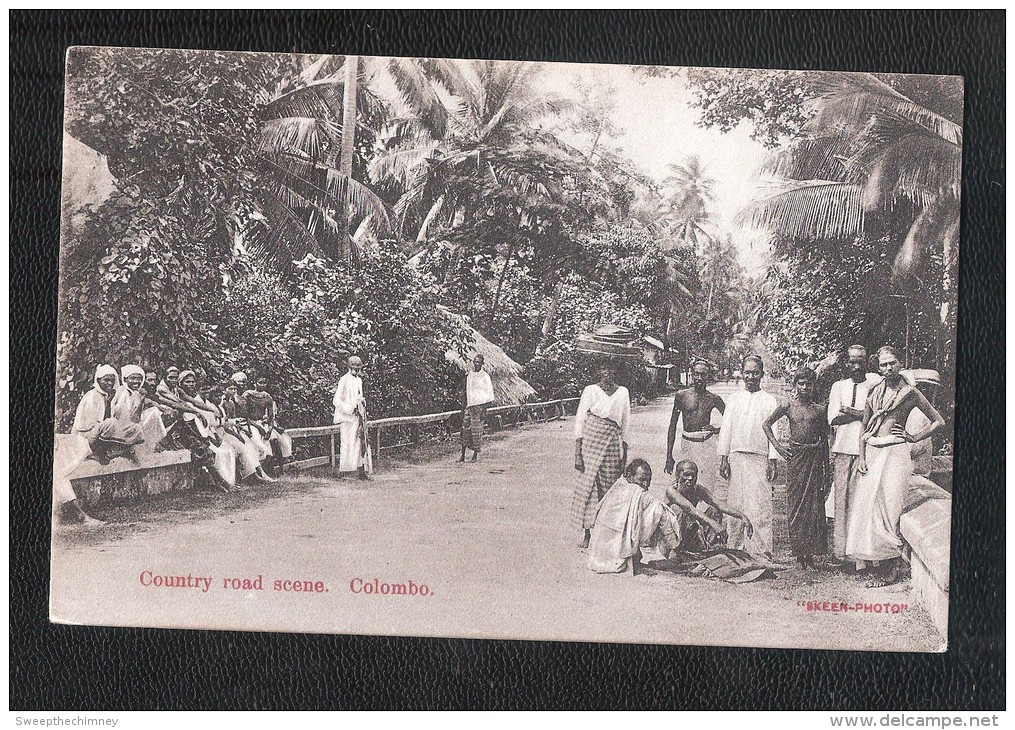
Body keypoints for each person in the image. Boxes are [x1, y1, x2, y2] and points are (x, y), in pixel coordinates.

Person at [847, 346, 945, 588]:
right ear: (877, 368)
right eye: (883, 365)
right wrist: (861, 457)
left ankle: (894, 566)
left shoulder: (910, 393)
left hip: (896, 454)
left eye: (892, 363)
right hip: (873, 450)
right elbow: (864, 426)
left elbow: (938, 421)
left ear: (900, 363)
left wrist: (913, 437)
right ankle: (879, 562)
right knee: (870, 508)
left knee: (891, 508)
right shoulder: (874, 391)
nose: (888, 368)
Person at [763, 368, 831, 569]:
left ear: (814, 386)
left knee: (814, 507)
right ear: (795, 385)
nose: (805, 388)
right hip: (795, 458)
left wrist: (827, 472)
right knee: (795, 505)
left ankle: (810, 553)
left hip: (814, 459)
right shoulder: (787, 406)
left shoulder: (819, 410)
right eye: (801, 383)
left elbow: (824, 441)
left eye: (809, 384)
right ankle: (799, 552)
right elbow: (766, 424)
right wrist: (778, 447)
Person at [716, 354, 779, 556]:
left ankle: (761, 549)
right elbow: (726, 430)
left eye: (755, 373)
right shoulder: (734, 399)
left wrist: (773, 460)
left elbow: (774, 431)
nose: (751, 376)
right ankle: (734, 547)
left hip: (759, 458)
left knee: (760, 506)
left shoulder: (769, 400)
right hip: (736, 457)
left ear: (762, 374)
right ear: (742, 373)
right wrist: (724, 458)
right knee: (735, 504)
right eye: (747, 372)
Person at [826, 345, 882, 567]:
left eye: (861, 360)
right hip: (842, 450)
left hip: (867, 451)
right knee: (841, 502)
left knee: (862, 502)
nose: (857, 365)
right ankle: (842, 554)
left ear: (867, 361)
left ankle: (861, 555)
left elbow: (877, 418)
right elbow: (833, 419)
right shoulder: (838, 386)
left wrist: (850, 411)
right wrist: (861, 416)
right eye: (852, 361)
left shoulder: (876, 383)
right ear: (846, 363)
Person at [571, 361, 631, 549]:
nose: (608, 374)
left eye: (612, 370)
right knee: (589, 485)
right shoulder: (590, 390)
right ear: (598, 371)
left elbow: (626, 422)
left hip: (613, 440)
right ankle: (587, 531)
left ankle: (605, 533)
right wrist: (577, 454)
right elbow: (580, 419)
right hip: (591, 439)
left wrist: (625, 454)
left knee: (610, 486)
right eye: (604, 370)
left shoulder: (623, 392)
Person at [587, 460, 678, 575]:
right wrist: (674, 545)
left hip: (598, 553)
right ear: (629, 476)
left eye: (648, 481)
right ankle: (674, 552)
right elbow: (661, 511)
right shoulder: (636, 492)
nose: (645, 484)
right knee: (659, 510)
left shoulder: (617, 486)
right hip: (614, 548)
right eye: (641, 480)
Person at [663, 460, 754, 556]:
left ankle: (709, 548)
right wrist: (714, 524)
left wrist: (742, 516)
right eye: (686, 475)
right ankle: (675, 552)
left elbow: (717, 503)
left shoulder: (697, 489)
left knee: (714, 510)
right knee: (678, 510)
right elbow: (690, 509)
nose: (690, 478)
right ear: (677, 475)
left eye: (693, 475)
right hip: (669, 540)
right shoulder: (672, 491)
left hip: (688, 536)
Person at [665, 360, 725, 486]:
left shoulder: (713, 398)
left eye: (703, 374)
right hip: (687, 443)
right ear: (692, 375)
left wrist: (715, 429)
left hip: (706, 445)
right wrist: (669, 456)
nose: (699, 378)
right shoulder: (681, 395)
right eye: (696, 374)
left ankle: (704, 506)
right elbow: (672, 426)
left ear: (708, 376)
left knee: (706, 483)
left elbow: (730, 421)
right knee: (684, 481)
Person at [72, 364, 144, 464]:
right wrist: (107, 426)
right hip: (86, 436)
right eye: (106, 380)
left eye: (112, 380)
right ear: (98, 380)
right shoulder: (91, 396)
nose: (110, 383)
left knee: (135, 428)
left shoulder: (111, 396)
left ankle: (114, 452)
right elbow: (84, 426)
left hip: (105, 431)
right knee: (111, 423)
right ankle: (97, 452)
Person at [111, 364, 168, 456]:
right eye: (132, 378)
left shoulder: (136, 394)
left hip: (132, 426)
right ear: (125, 379)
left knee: (154, 411)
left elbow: (136, 418)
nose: (136, 381)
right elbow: (118, 414)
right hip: (119, 427)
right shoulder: (121, 392)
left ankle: (152, 444)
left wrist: (141, 400)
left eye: (139, 379)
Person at [245, 373, 294, 474]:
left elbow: (271, 417)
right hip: (251, 423)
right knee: (259, 444)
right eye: (260, 382)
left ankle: (279, 470)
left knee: (276, 440)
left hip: (264, 423)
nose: (262, 385)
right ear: (254, 383)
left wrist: (270, 429)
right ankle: (259, 472)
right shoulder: (248, 395)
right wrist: (258, 427)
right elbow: (244, 415)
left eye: (264, 383)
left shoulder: (267, 397)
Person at [333, 355, 373, 479]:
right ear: (349, 367)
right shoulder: (343, 380)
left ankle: (361, 471)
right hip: (347, 418)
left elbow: (358, 397)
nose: (356, 369)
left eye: (358, 367)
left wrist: (361, 404)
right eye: (353, 366)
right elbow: (336, 400)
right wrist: (350, 408)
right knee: (347, 444)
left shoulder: (359, 381)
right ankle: (344, 472)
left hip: (358, 417)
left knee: (360, 443)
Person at [902, 369, 941, 477]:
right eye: (928, 388)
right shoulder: (918, 412)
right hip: (913, 473)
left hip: (919, 471)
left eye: (933, 389)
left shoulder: (922, 411)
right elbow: (914, 448)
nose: (933, 393)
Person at [459, 354, 495, 462]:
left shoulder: (485, 376)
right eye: (475, 362)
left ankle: (475, 456)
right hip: (469, 406)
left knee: (476, 431)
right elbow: (466, 393)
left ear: (482, 363)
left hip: (479, 407)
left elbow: (489, 394)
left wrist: (484, 410)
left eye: (479, 362)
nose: (477, 364)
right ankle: (463, 455)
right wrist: (463, 408)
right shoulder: (469, 375)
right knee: (464, 430)